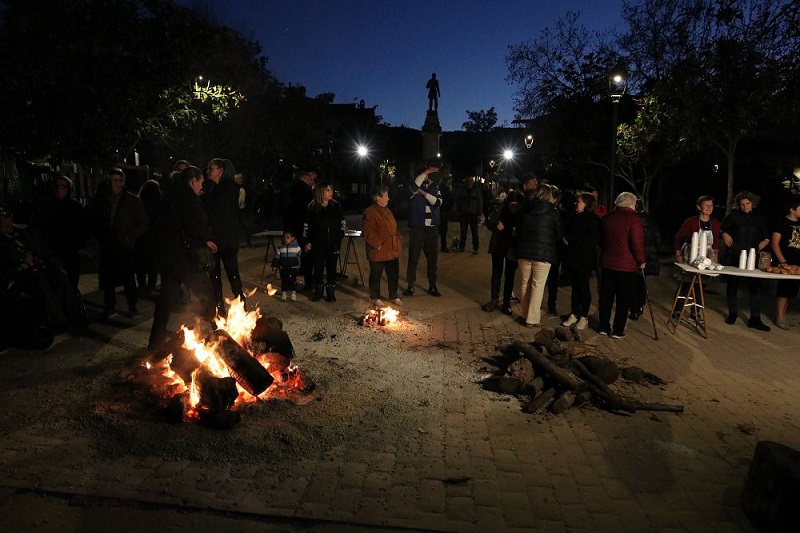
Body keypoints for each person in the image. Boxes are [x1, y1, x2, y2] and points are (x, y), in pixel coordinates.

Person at [148, 166, 217, 349]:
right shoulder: (189, 199)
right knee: (207, 295)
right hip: (186, 259)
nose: (201, 186)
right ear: (193, 180)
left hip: (168, 258)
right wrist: (206, 237)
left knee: (165, 301)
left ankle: (155, 343)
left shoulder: (168, 196)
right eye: (200, 182)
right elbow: (196, 226)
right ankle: (212, 339)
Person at [0, 201, 88, 347]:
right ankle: (58, 321)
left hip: (40, 269)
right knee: (40, 280)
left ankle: (75, 317)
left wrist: (59, 267)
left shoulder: (26, 233)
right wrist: (21, 258)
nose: (4, 222)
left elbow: (46, 251)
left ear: (11, 217)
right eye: (0, 219)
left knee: (60, 277)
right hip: (17, 276)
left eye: (6, 217)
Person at [88, 168, 149, 319]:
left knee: (128, 278)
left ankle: (132, 306)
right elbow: (93, 220)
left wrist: (129, 237)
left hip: (124, 246)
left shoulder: (132, 201)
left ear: (123, 182)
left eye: (118, 180)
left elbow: (143, 223)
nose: (115, 184)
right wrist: (99, 236)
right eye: (112, 180)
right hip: (107, 244)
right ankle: (110, 306)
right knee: (108, 278)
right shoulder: (101, 199)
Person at [597, 192, 646, 339]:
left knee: (606, 297)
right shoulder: (634, 219)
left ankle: (604, 327)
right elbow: (636, 242)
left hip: (607, 263)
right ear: (632, 204)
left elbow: (601, 240)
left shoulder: (607, 219)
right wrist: (641, 260)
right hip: (626, 265)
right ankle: (618, 330)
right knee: (623, 299)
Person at [720, 190, 771, 331]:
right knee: (732, 285)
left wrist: (763, 244)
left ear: (752, 203)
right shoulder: (733, 217)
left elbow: (767, 236)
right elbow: (721, 228)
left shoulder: (760, 218)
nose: (745, 207)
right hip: (734, 255)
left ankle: (755, 319)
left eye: (747, 204)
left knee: (755, 287)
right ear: (738, 205)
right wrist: (724, 234)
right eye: (742, 204)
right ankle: (732, 314)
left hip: (752, 257)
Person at [29, 174, 89, 288]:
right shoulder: (43, 206)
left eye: (63, 186)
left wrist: (80, 247)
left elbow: (84, 229)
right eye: (57, 186)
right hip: (48, 253)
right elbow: (35, 228)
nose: (60, 188)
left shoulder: (76, 207)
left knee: (71, 285)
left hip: (70, 254)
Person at [516, 184, 563, 328]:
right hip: (544, 254)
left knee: (524, 284)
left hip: (524, 252)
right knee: (538, 286)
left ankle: (524, 315)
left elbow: (519, 229)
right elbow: (559, 233)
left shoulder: (524, 209)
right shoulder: (553, 212)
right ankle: (532, 318)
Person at [203, 158, 245, 316]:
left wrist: (204, 197)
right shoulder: (214, 187)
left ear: (220, 170)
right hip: (216, 239)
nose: (208, 171)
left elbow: (218, 208)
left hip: (226, 240)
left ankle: (241, 308)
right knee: (215, 278)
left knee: (233, 275)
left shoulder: (228, 187)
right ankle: (219, 311)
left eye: (211, 168)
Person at [561, 192, 601, 330]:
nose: (576, 204)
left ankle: (584, 316)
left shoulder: (593, 220)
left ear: (586, 204)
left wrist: (573, 239)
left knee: (583, 287)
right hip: (573, 257)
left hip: (584, 258)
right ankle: (574, 313)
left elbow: (593, 239)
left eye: (579, 201)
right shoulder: (573, 218)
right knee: (575, 288)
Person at [482, 190, 523, 315]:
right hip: (499, 244)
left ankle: (506, 303)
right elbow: (489, 222)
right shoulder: (500, 209)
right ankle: (494, 299)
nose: (514, 208)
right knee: (496, 272)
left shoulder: (522, 213)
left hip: (513, 246)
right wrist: (496, 226)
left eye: (517, 206)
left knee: (510, 274)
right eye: (512, 205)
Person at [303, 181, 345, 302]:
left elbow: (342, 223)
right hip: (317, 243)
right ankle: (318, 291)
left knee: (332, 268)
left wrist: (339, 238)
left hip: (333, 243)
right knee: (318, 268)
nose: (330, 192)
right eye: (327, 190)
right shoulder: (312, 206)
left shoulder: (336, 206)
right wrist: (307, 241)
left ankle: (331, 292)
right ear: (321, 191)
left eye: (331, 190)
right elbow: (306, 225)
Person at [404, 166, 442, 297]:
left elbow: (438, 202)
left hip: (431, 228)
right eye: (425, 174)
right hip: (417, 227)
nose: (427, 176)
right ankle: (410, 285)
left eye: (428, 174)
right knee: (413, 257)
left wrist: (424, 193)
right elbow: (413, 189)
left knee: (432, 259)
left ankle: (432, 285)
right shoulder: (413, 187)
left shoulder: (435, 187)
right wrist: (423, 174)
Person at [362, 184, 403, 306]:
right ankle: (374, 297)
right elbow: (368, 232)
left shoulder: (388, 211)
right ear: (377, 198)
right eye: (385, 196)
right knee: (376, 274)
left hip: (392, 249)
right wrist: (378, 244)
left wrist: (398, 239)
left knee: (393, 273)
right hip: (379, 251)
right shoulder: (370, 212)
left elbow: (394, 228)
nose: (388, 198)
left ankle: (393, 296)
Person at [770, 198, 800, 330]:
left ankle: (783, 316)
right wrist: (782, 261)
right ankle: (780, 318)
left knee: (792, 291)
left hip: (797, 263)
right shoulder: (781, 222)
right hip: (785, 261)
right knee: (784, 290)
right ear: (792, 209)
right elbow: (775, 243)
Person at [630, 199, 661, 320]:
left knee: (633, 283)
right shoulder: (651, 220)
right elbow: (658, 238)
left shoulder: (633, 220)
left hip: (634, 255)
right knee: (642, 282)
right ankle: (640, 305)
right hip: (649, 255)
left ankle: (633, 308)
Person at [285, 171, 316, 291]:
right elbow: (309, 209)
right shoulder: (306, 190)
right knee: (306, 255)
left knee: (289, 254)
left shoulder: (289, 188)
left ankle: (289, 282)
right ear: (306, 178)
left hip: (289, 226)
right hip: (302, 226)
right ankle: (308, 283)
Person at [673, 195, 722, 263]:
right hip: (691, 254)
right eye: (706, 205)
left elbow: (716, 242)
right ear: (699, 207)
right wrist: (678, 252)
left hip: (708, 256)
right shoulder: (691, 222)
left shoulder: (715, 223)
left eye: (711, 205)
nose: (709, 207)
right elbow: (679, 237)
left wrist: (714, 257)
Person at [135, 179, 163, 296]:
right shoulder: (159, 204)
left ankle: (141, 285)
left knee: (141, 262)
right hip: (154, 237)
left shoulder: (138, 203)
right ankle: (151, 286)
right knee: (153, 264)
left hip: (141, 237)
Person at [544, 184, 564, 316]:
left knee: (552, 280)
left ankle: (551, 305)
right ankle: (549, 305)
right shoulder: (553, 212)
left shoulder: (557, 213)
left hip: (552, 251)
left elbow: (559, 233)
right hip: (549, 250)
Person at [272, 229, 302, 302]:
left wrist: (306, 250)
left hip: (293, 268)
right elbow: (276, 257)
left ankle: (293, 294)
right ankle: (284, 294)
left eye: (288, 237)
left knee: (293, 281)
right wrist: (274, 265)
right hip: (283, 268)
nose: (286, 239)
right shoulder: (280, 248)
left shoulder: (296, 247)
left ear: (292, 238)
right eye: (284, 237)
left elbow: (301, 254)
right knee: (284, 281)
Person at [455, 176, 483, 254]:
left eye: (471, 181)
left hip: (473, 214)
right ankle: (461, 247)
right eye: (468, 181)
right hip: (464, 214)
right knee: (463, 232)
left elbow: (480, 203)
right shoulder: (462, 190)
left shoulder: (477, 191)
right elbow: (458, 201)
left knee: (474, 232)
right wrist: (459, 211)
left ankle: (475, 248)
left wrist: (479, 214)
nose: (469, 182)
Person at [234, 172, 254, 247]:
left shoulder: (245, 188)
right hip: (236, 211)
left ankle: (249, 242)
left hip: (243, 210)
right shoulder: (233, 189)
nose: (241, 180)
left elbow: (249, 199)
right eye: (239, 178)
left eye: (241, 178)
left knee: (246, 227)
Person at [439, 176, 453, 253]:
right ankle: (443, 245)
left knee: (440, 229)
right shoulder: (446, 190)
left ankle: (439, 245)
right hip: (444, 211)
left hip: (440, 211)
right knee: (443, 229)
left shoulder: (439, 188)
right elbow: (449, 201)